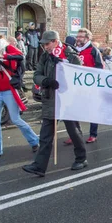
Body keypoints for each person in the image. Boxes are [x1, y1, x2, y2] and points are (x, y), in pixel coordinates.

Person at [22, 31, 88, 177]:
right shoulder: (45, 57)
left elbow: (79, 78)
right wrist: (45, 81)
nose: (45, 47)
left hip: (68, 100)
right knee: (45, 135)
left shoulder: (72, 56)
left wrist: (64, 70)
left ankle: (81, 158)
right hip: (51, 99)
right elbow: (36, 74)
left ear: (55, 41)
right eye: (44, 44)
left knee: (74, 131)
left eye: (47, 44)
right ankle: (39, 166)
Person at [0, 32, 39, 159]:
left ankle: (35, 141)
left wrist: (2, 56)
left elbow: (20, 56)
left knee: (15, 119)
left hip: (8, 89)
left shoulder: (7, 47)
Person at [75, 28, 104, 143]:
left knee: (92, 110)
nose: (78, 39)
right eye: (77, 36)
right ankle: (76, 133)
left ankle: (93, 134)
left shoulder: (93, 50)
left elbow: (100, 67)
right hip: (77, 86)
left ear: (87, 38)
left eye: (80, 37)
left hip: (90, 86)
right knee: (74, 110)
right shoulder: (74, 50)